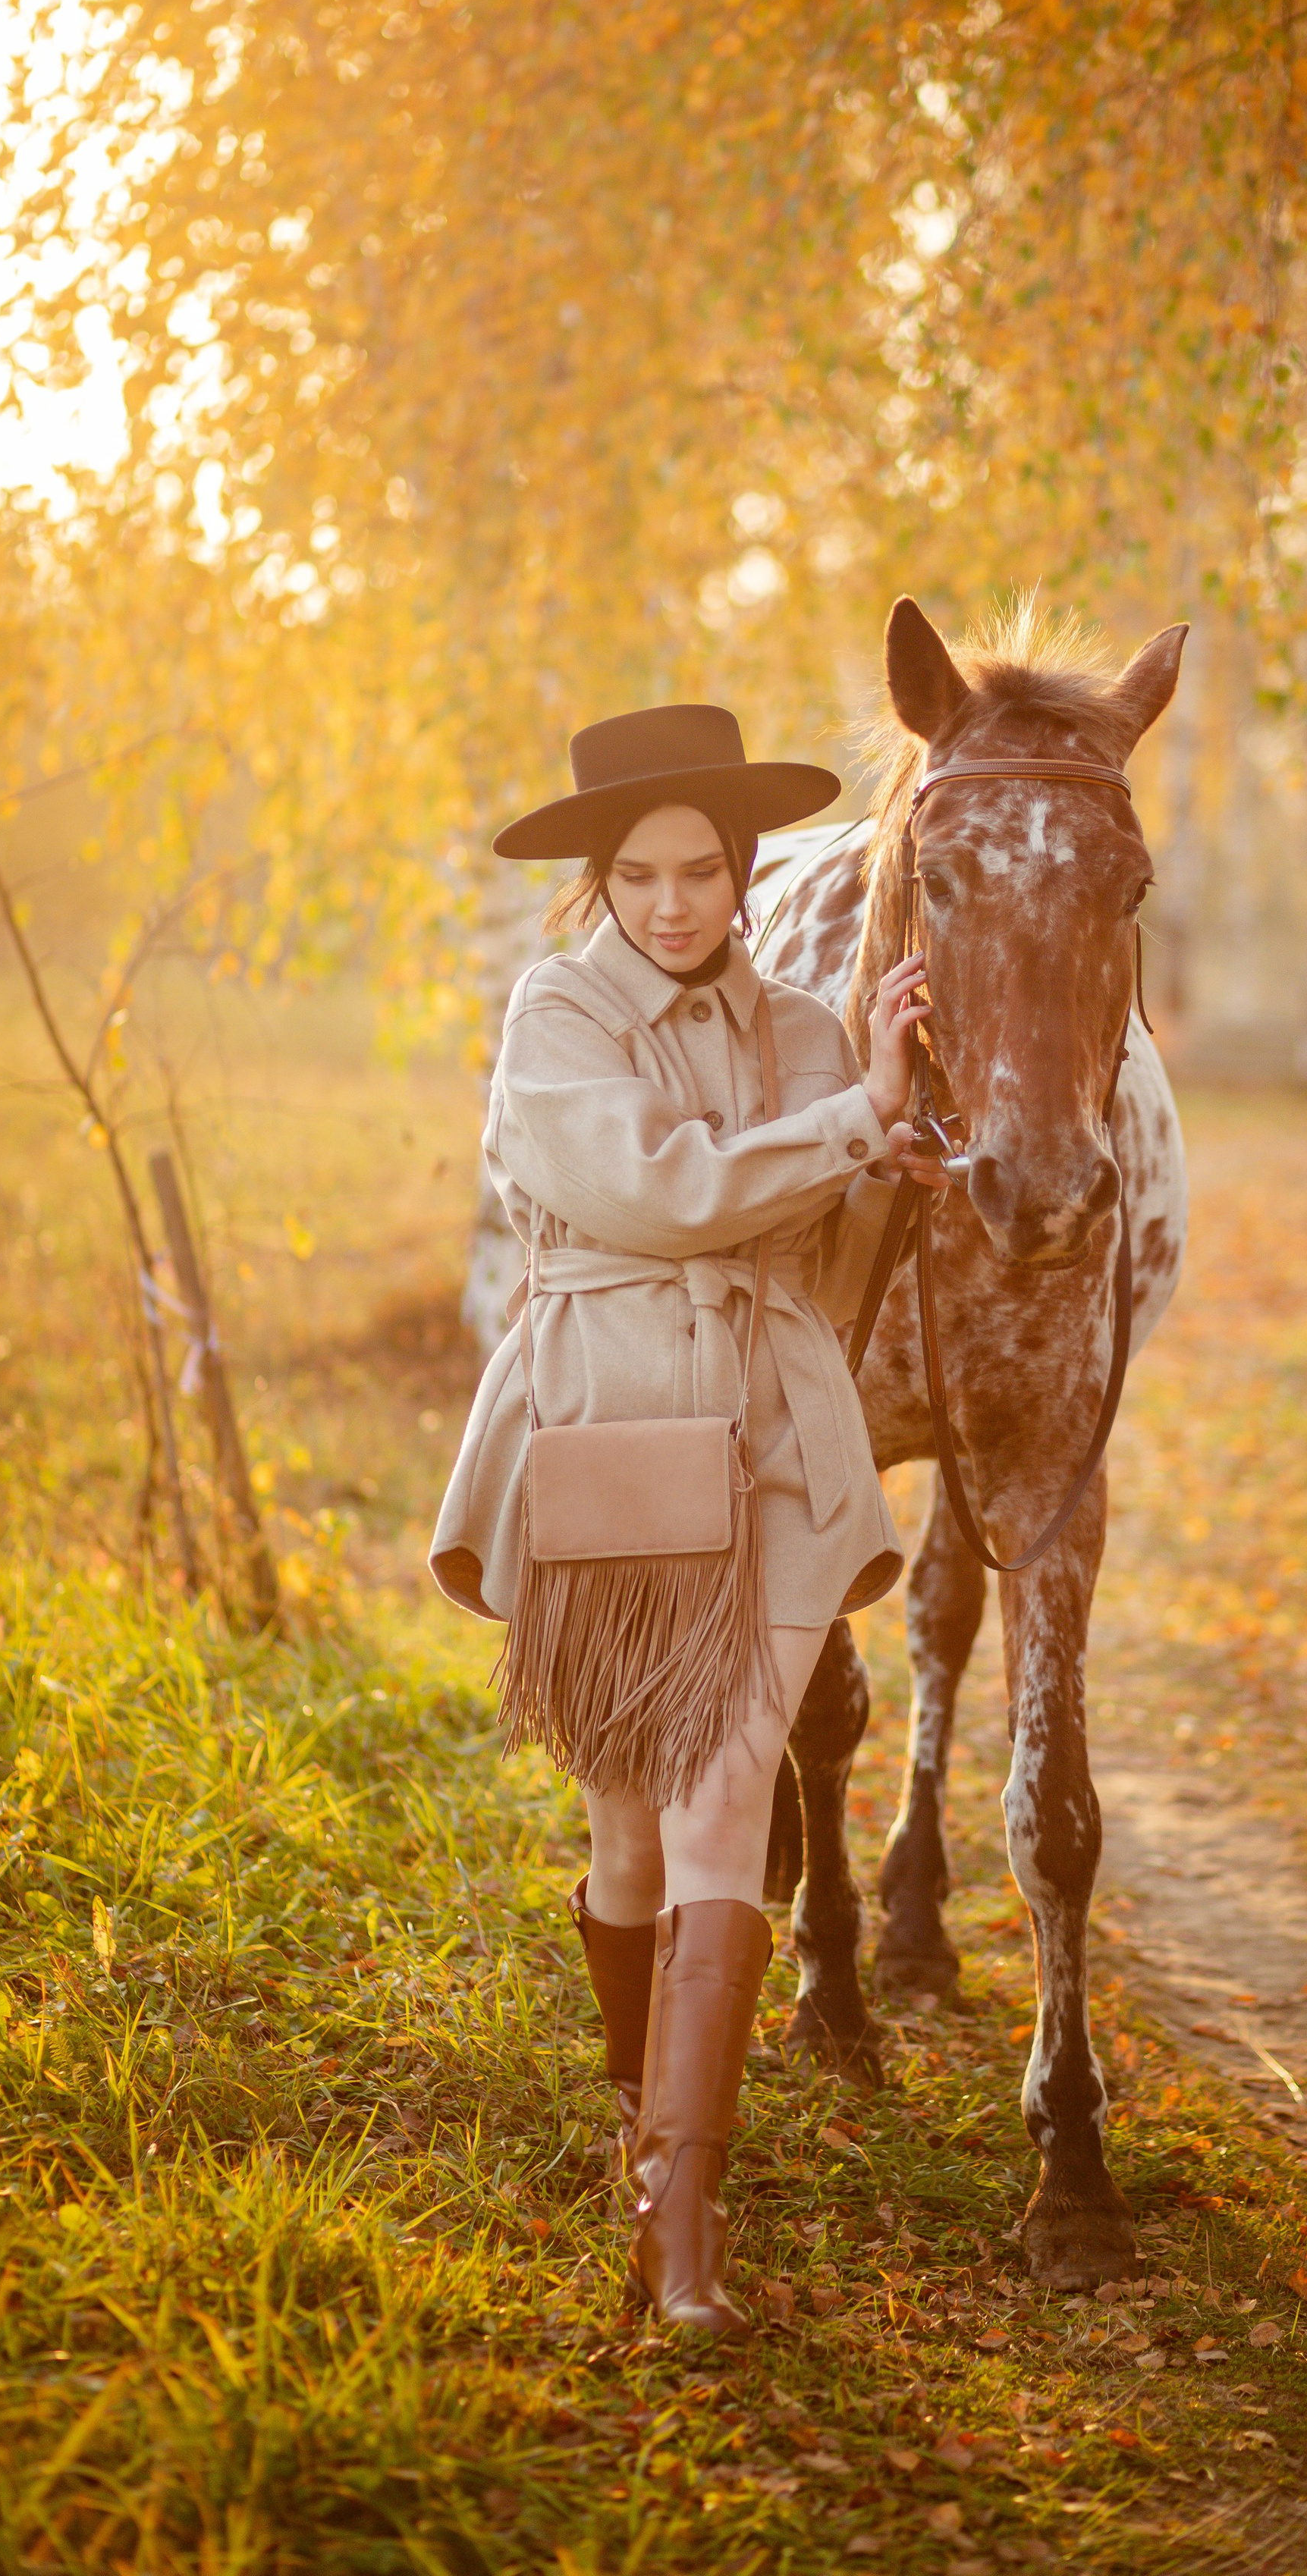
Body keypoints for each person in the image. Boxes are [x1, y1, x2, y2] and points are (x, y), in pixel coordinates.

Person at [429, 701, 944, 2332]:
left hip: (780, 1426)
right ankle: (637, 2120)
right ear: (600, 877)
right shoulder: (553, 1015)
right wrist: (846, 1129)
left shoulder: (802, 1027)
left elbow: (809, 1235)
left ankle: (684, 2228)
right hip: (613, 1425)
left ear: (738, 870)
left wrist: (887, 1143)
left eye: (702, 871)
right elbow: (661, 1191)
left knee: (730, 1796)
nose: (673, 904)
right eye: (640, 874)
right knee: (634, 1826)